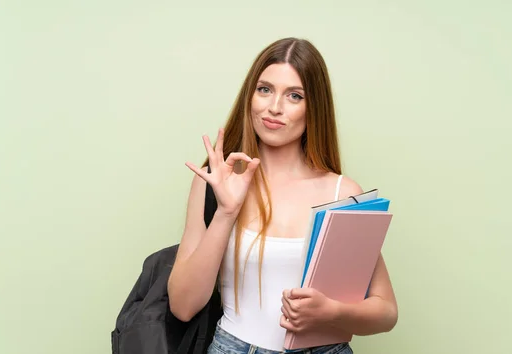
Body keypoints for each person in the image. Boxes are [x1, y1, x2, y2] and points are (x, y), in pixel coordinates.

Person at [168, 37, 398, 354]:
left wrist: (332, 312)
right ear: (250, 95)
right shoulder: (216, 180)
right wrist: (226, 213)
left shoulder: (341, 193)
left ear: (313, 107)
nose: (275, 107)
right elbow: (183, 306)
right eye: (265, 89)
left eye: (294, 96)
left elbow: (386, 311)